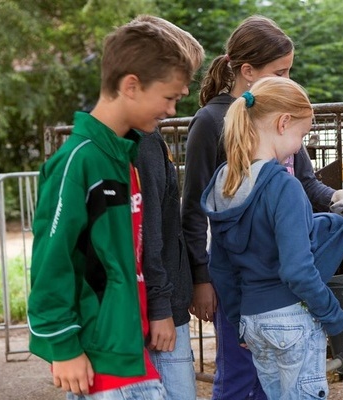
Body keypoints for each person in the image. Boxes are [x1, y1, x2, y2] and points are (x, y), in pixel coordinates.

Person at [27, 15, 197, 399]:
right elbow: (51, 261)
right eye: (169, 97)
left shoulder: (124, 155)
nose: (171, 110)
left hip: (130, 352)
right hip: (103, 361)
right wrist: (64, 347)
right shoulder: (78, 161)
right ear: (131, 86)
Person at [181, 15, 334, 400]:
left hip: (284, 283)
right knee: (237, 375)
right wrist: (202, 277)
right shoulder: (210, 121)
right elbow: (196, 207)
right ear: (247, 71)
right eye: (279, 72)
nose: (288, 80)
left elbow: (305, 182)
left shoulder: (280, 122)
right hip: (240, 276)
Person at [201, 76, 343, 400]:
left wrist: (237, 319)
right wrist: (332, 313)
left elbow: (220, 267)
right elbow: (297, 269)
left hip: (252, 321)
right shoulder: (285, 187)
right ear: (284, 123)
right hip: (291, 319)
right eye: (302, 135)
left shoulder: (223, 183)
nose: (300, 146)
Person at [133, 17, 204, 400]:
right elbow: (151, 230)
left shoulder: (150, 136)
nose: (186, 90)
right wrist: (160, 307)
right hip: (158, 312)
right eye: (179, 81)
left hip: (164, 303)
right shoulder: (142, 141)